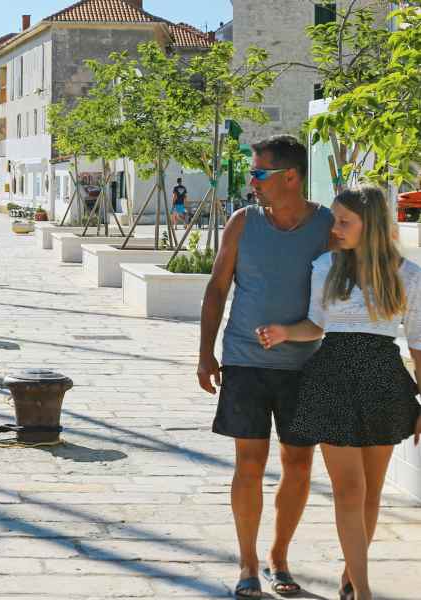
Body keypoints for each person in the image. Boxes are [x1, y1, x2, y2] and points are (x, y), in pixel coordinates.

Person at [257, 185, 421, 600]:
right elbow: (315, 325)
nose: (336, 228)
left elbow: (418, 345)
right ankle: (363, 591)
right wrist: (284, 333)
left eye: (345, 221)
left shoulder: (410, 275)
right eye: (334, 219)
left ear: (373, 225)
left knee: (371, 491)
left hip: (384, 380)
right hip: (332, 377)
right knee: (349, 490)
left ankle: (351, 575)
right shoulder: (325, 266)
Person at [197, 135, 334, 599]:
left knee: (298, 464)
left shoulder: (328, 226)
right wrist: (205, 353)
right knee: (249, 463)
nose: (251, 182)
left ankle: (279, 556)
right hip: (245, 361)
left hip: (307, 366)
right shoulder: (242, 222)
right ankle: (247, 562)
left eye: (259, 174)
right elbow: (216, 288)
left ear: (290, 177)